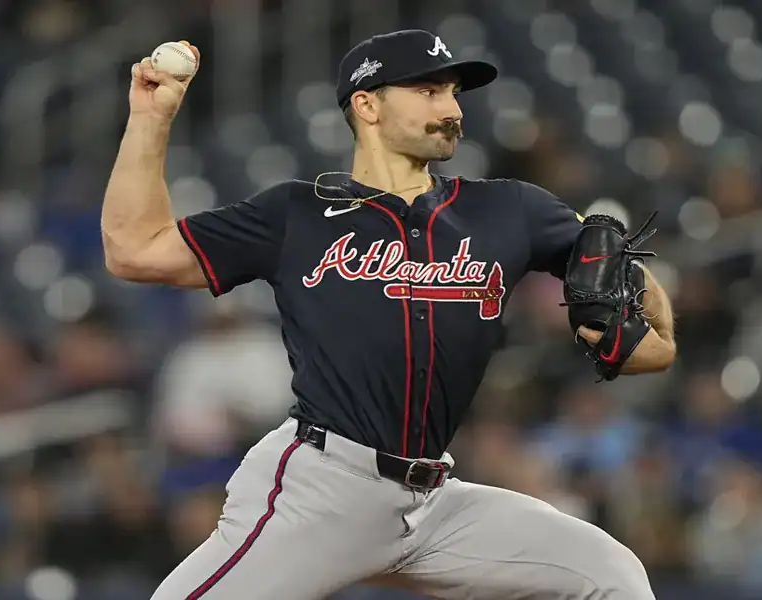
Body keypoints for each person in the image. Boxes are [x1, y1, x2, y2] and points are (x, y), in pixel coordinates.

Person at [102, 30, 675, 600]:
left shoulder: (511, 210)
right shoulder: (297, 214)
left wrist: (636, 300)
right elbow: (135, 249)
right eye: (427, 91)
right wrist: (151, 119)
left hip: (432, 502)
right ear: (367, 103)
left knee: (610, 574)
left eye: (453, 92)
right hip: (324, 491)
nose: (451, 108)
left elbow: (650, 329)